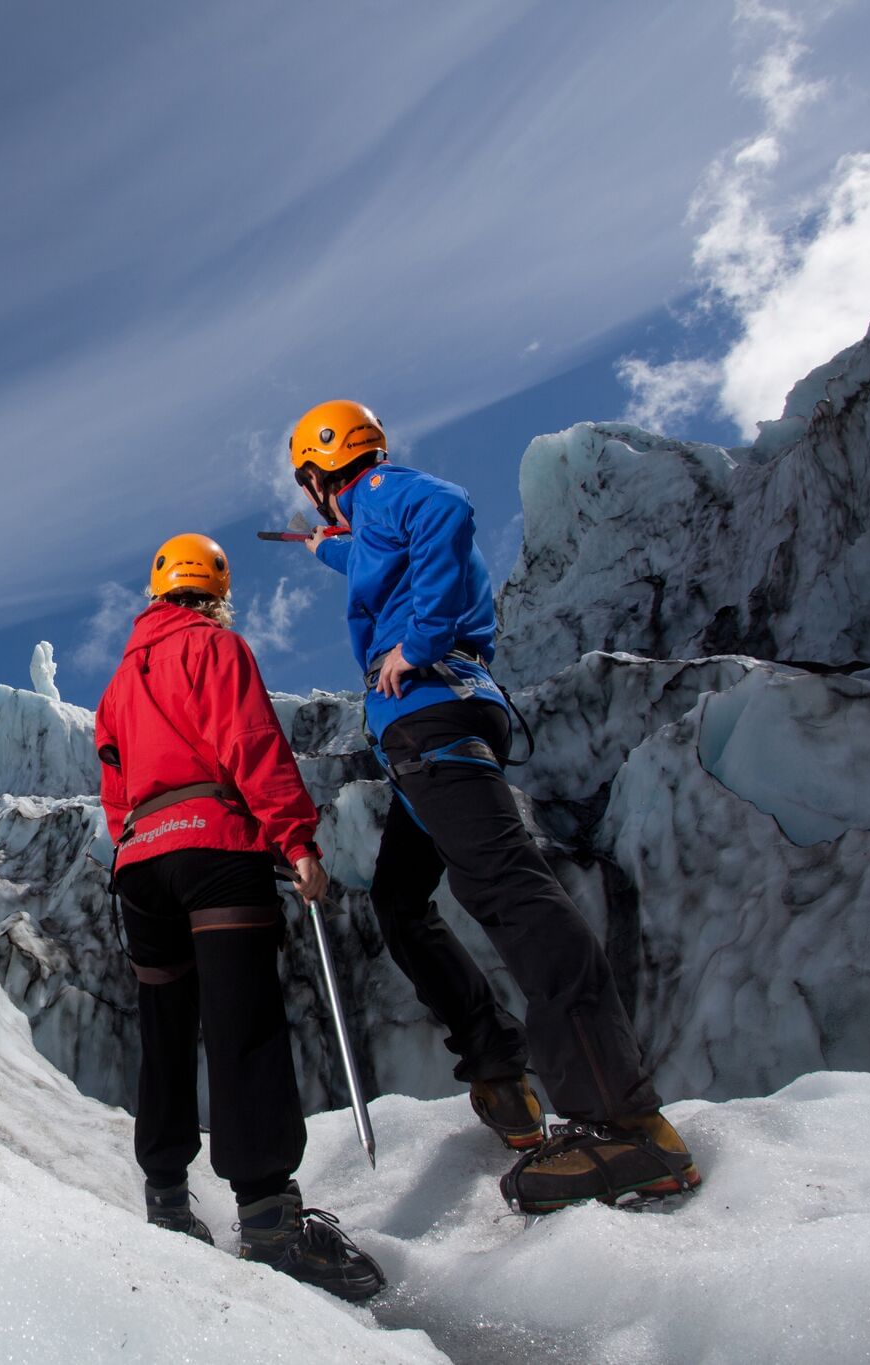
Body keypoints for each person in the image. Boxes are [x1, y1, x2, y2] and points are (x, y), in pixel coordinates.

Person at [287, 398, 700, 1214]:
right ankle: (501, 1073)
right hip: (436, 727)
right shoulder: (367, 516)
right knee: (404, 904)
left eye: (312, 490)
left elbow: (441, 509)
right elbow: (383, 553)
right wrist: (328, 550)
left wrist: (423, 638)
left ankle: (627, 1125)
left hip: (432, 714)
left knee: (510, 889)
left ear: (317, 475)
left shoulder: (388, 493)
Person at [94, 532, 385, 1302]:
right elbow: (251, 743)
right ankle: (267, 1219)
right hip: (215, 845)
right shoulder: (214, 649)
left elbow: (115, 791)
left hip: (140, 863)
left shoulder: (120, 682)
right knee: (241, 1021)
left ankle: (165, 1197)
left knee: (164, 1028)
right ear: (213, 590)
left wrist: (137, 843)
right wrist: (297, 841)